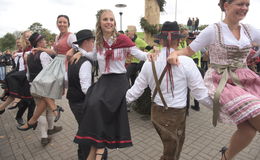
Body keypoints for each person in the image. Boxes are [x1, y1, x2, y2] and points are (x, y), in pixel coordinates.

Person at [167, 0, 260, 159]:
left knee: (248, 129)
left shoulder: (249, 29)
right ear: (226, 5)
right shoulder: (213, 30)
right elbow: (189, 50)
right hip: (222, 79)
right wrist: (174, 54)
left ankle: (225, 157)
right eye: (240, 3)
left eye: (247, 4)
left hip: (246, 78)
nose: (244, 8)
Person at [72, 9, 153, 160]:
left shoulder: (123, 40)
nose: (108, 22)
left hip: (118, 80)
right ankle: (96, 148)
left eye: (111, 19)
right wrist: (81, 53)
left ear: (114, 23)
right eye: (105, 19)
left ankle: (99, 148)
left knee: (100, 107)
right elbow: (94, 56)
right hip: (105, 80)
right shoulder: (99, 41)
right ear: (100, 23)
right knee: (92, 104)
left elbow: (139, 54)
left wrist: (151, 55)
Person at [126, 21, 212, 160]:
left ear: (160, 40)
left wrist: (119, 103)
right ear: (178, 40)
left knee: (170, 150)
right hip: (175, 116)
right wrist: (221, 109)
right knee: (172, 153)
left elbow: (136, 90)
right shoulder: (187, 62)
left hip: (156, 114)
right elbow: (200, 94)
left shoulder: (149, 61)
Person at [17, 15, 76, 130]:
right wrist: (40, 49)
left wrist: (73, 50)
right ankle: (51, 110)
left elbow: (77, 47)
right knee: (41, 87)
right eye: (60, 22)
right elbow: (54, 51)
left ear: (68, 24)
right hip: (56, 63)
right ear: (57, 23)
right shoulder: (57, 36)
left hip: (65, 65)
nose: (62, 24)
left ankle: (34, 120)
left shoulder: (71, 36)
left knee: (43, 89)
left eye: (64, 22)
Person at [66, 29, 95, 160]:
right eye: (92, 42)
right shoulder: (85, 63)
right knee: (88, 133)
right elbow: (86, 89)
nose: (93, 45)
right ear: (86, 42)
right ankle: (86, 156)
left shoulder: (73, 58)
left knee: (83, 129)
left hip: (73, 100)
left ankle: (82, 155)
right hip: (81, 102)